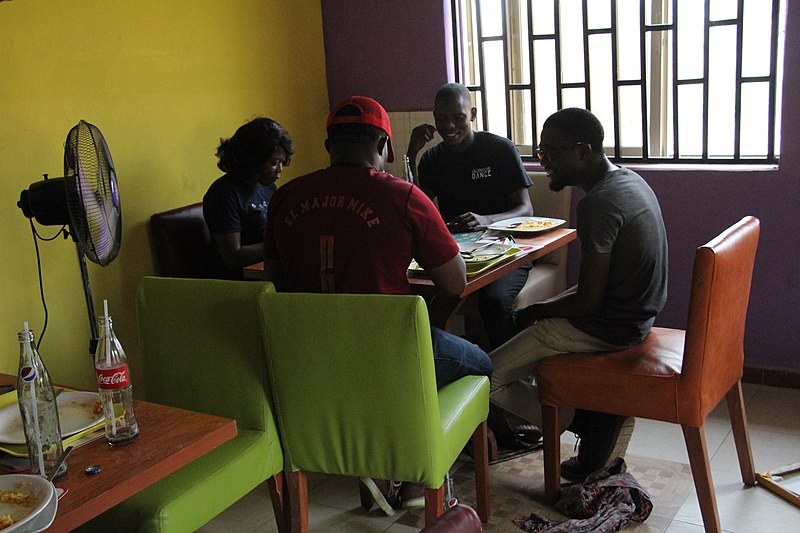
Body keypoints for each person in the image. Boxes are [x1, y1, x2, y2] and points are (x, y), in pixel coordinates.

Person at [264, 95, 492, 514]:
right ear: (386, 145)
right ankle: (416, 466)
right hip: (385, 359)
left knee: (402, 359)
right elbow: (455, 282)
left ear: (329, 145)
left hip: (308, 362)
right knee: (480, 361)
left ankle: (383, 463)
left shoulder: (285, 197)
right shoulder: (403, 197)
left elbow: (277, 281)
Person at [488, 107, 668, 482]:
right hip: (638, 315)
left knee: (484, 379)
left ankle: (586, 422)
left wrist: (535, 313)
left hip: (610, 327)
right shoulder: (629, 181)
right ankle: (586, 415)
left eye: (553, 152)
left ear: (584, 151)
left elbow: (587, 301)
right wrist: (540, 310)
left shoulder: (597, 205)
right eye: (541, 152)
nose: (545, 162)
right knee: (525, 332)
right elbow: (593, 286)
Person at [407, 82, 534, 349]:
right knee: (416, 294)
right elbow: (417, 208)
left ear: (473, 115)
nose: (449, 126)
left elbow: (526, 210)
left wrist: (487, 219)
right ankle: (435, 363)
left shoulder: (500, 150)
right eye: (442, 118)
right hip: (455, 251)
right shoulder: (432, 159)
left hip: (506, 248)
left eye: (458, 117)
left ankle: (503, 372)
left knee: (495, 301)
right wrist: (411, 154)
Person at [203, 117, 293, 279]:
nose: (279, 170)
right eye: (274, 162)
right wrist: (280, 244)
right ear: (253, 159)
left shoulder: (267, 186)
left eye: (282, 162)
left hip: (265, 270)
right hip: (239, 281)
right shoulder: (224, 193)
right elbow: (233, 257)